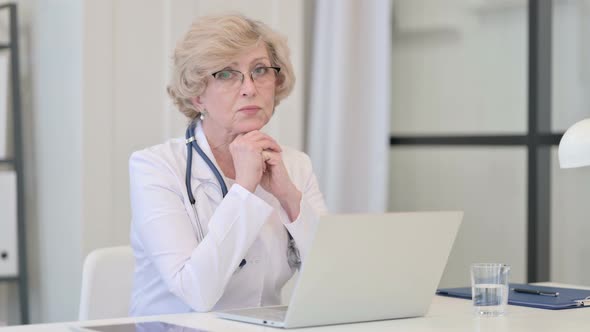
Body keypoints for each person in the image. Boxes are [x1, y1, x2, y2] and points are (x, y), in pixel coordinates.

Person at [128, 14, 327, 316]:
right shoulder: (155, 167)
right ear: (197, 95)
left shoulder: (296, 165)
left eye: (260, 70)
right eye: (226, 74)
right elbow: (197, 293)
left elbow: (333, 278)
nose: (249, 88)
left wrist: (289, 196)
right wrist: (244, 190)